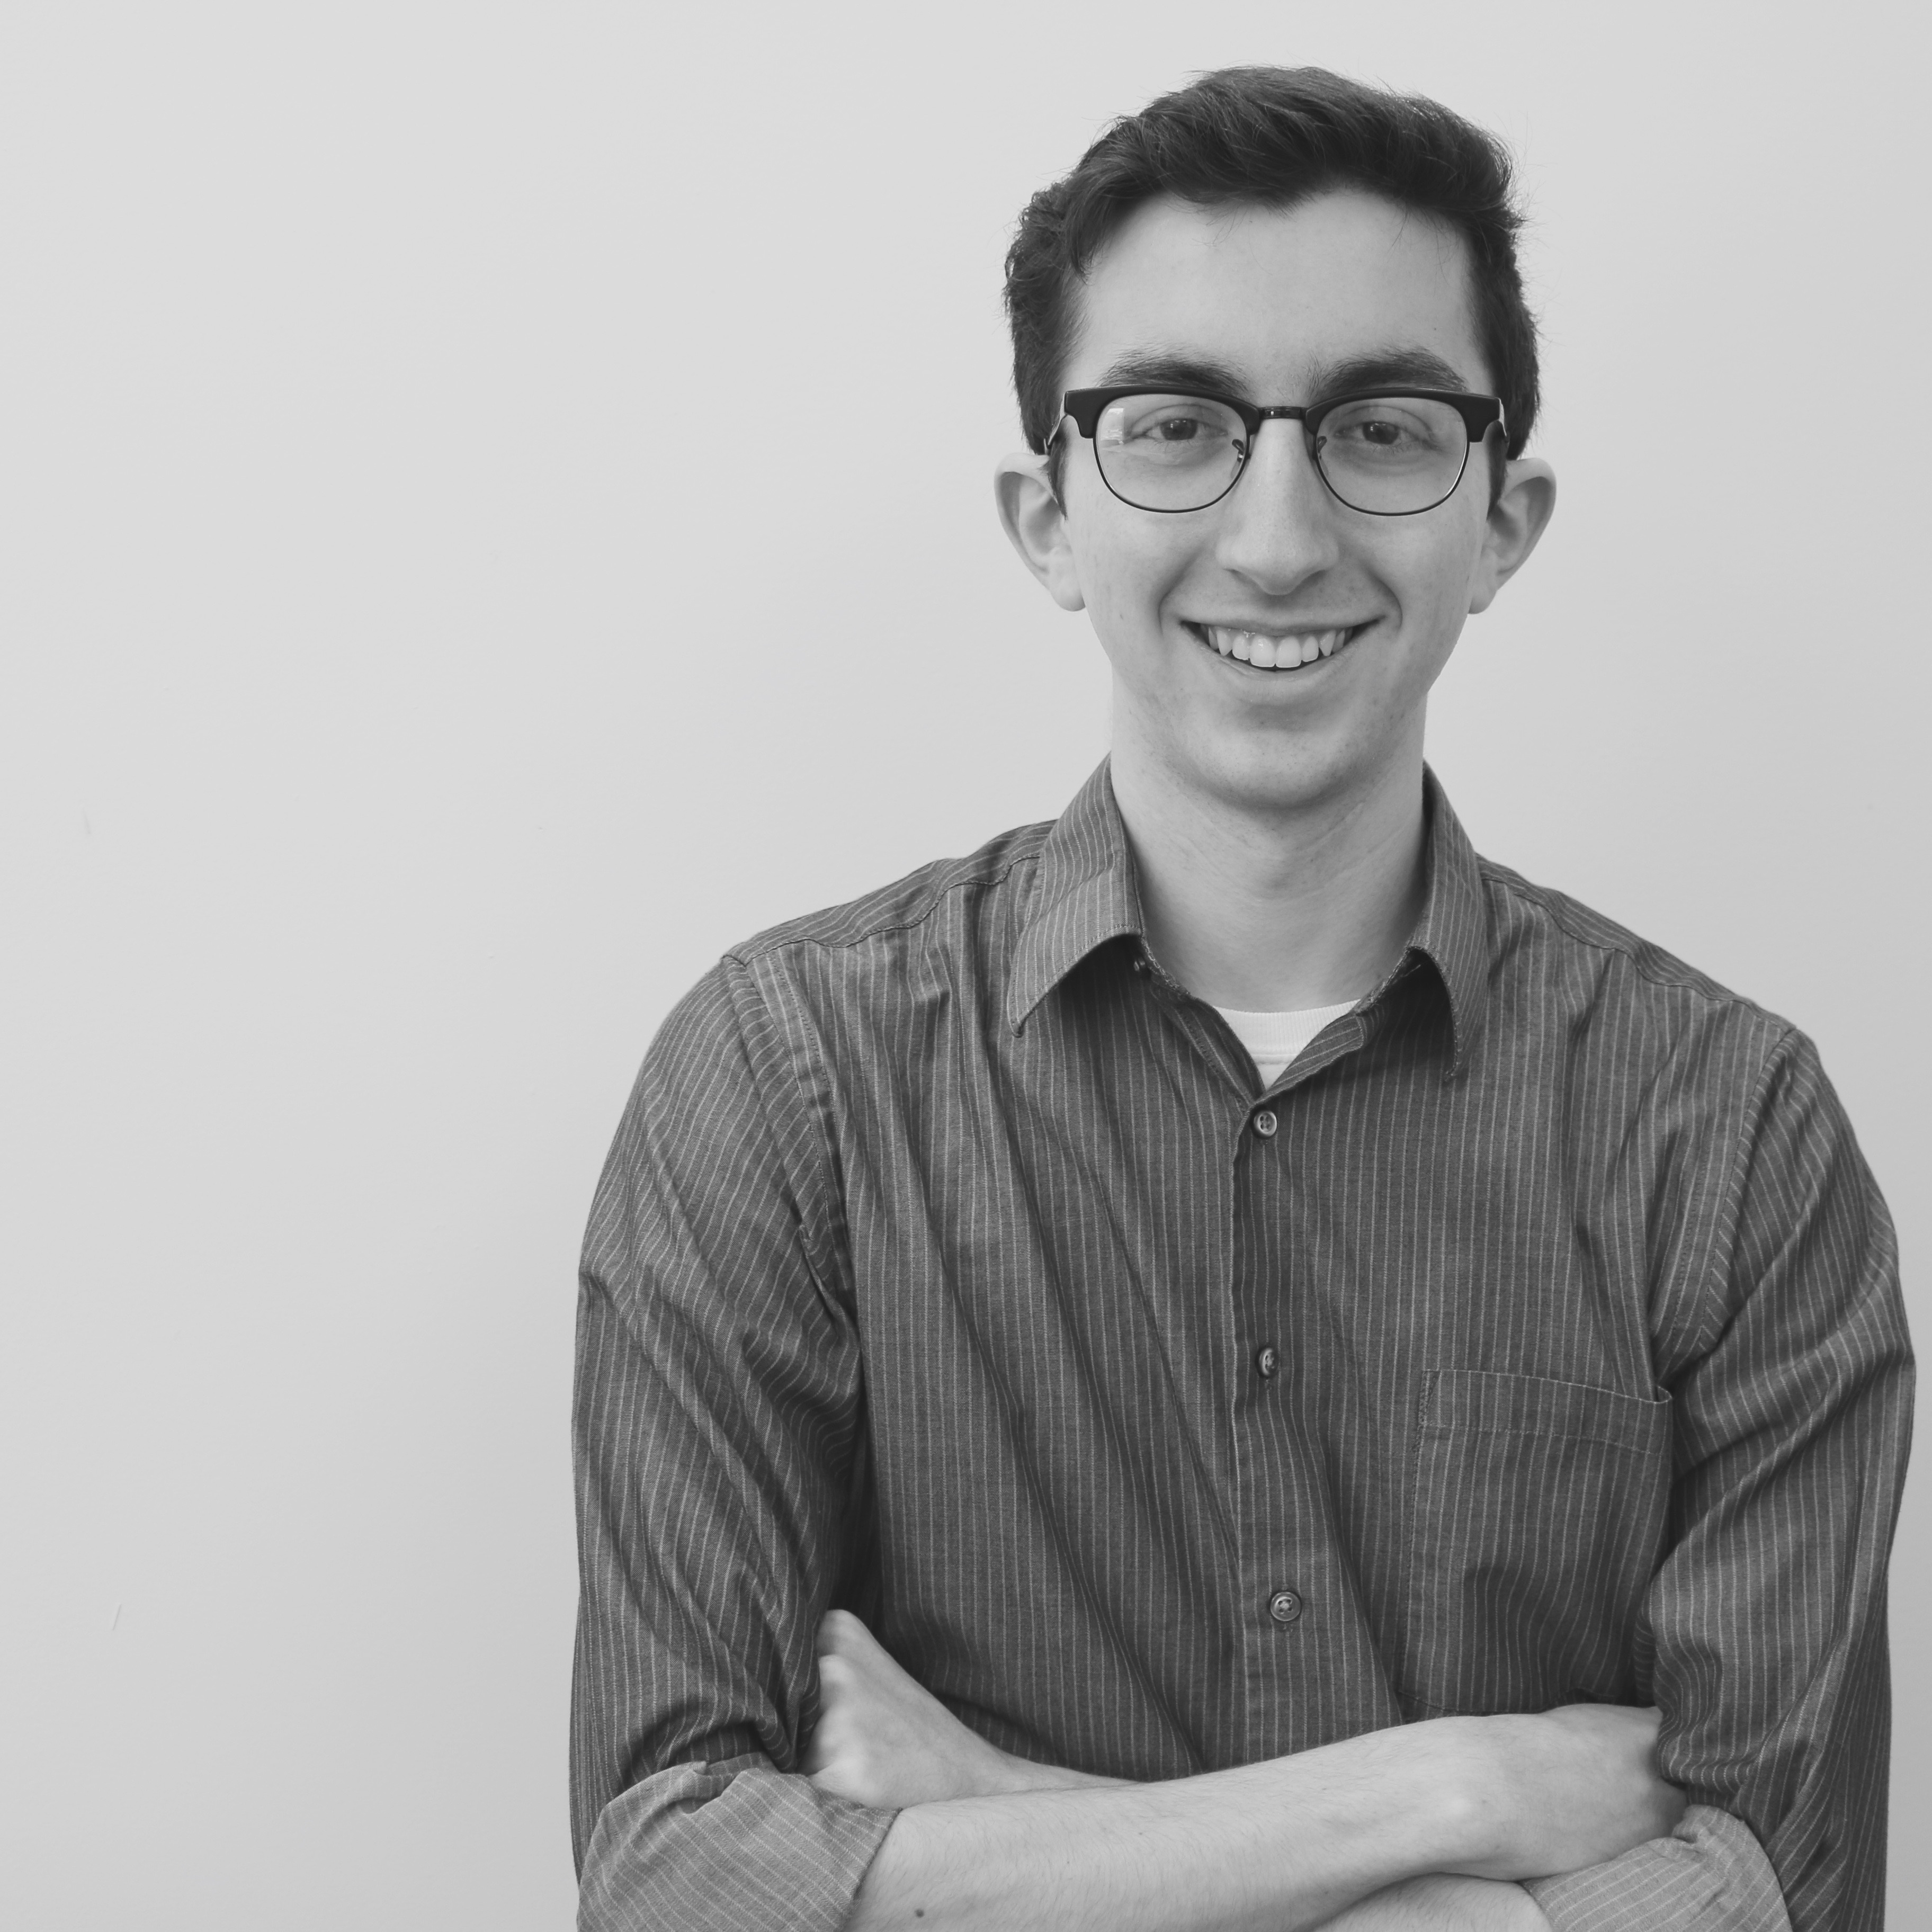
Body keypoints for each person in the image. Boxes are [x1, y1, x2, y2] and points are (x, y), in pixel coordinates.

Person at [570, 66, 1912, 1932]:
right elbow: (673, 1882)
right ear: (1049, 518)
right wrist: (1455, 1794)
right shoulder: (782, 1084)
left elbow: (1780, 1890)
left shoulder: (1736, 1136)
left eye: (1382, 428)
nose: (1278, 539)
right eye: (1177, 426)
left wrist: (992, 1821)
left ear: (1502, 520)